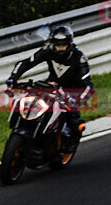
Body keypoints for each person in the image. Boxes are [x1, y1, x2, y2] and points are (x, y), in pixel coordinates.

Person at [6, 25, 94, 153]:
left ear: (69, 43)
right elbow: (26, 62)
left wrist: (78, 100)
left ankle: (69, 144)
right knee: (27, 103)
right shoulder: (48, 51)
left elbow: (88, 86)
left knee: (76, 122)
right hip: (51, 87)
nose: (60, 48)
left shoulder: (79, 58)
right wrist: (13, 77)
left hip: (71, 93)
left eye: (63, 45)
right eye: (57, 45)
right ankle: (30, 132)